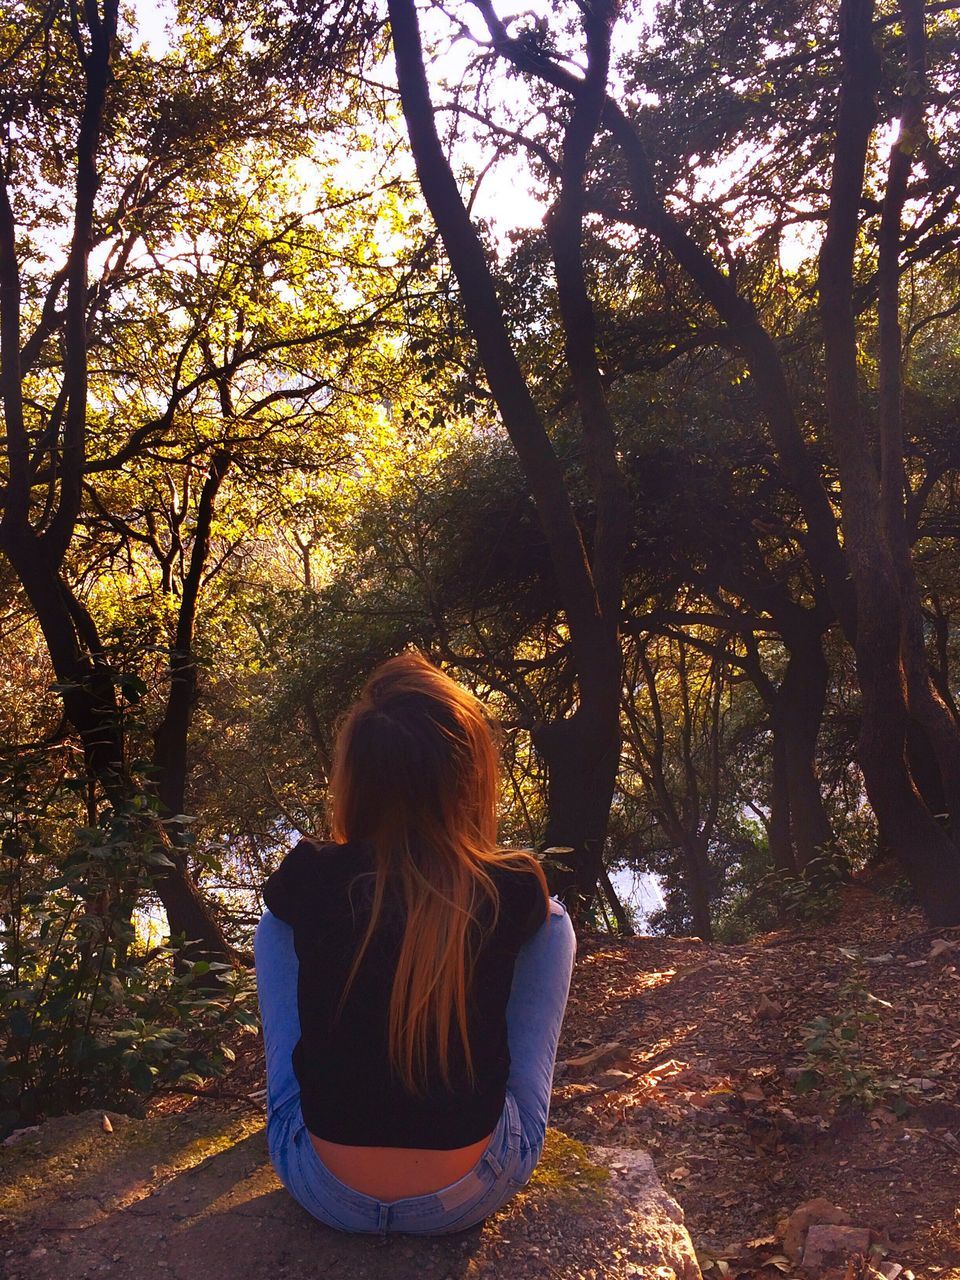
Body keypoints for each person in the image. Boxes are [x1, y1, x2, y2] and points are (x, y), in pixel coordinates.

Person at [254, 652, 576, 1236]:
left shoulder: (306, 882)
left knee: (279, 923)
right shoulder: (514, 893)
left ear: (354, 776)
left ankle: (320, 1135)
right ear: (470, 777)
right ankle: (471, 1145)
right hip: (471, 1191)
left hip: (323, 1188)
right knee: (553, 923)